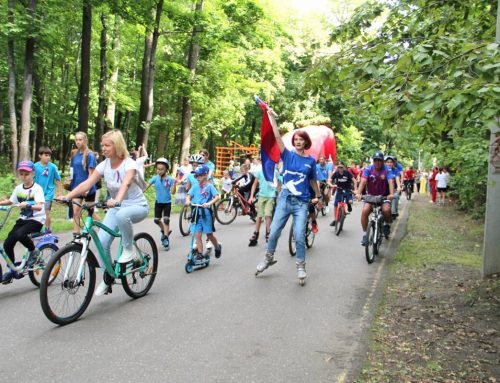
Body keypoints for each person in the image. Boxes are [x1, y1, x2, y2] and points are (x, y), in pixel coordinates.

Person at [57, 130, 149, 296]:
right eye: (102, 145)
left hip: (137, 206)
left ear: (117, 145)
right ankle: (108, 278)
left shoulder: (130, 164)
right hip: (116, 207)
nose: (103, 148)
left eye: (107, 145)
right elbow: (87, 183)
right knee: (102, 242)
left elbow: (126, 183)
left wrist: (117, 200)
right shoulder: (104, 164)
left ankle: (129, 249)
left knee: (122, 215)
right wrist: (68, 196)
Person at [255, 111, 321, 282]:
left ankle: (300, 266)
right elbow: (277, 137)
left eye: (301, 139)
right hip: (285, 199)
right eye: (296, 139)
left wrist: (319, 196)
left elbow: (313, 180)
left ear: (306, 142)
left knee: (299, 235)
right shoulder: (287, 155)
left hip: (301, 202)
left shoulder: (311, 161)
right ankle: (268, 258)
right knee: (274, 231)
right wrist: (273, 118)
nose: (298, 142)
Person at [0, 161, 45, 284]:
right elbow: (11, 201)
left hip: (36, 220)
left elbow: (40, 206)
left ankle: (33, 251)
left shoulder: (37, 189)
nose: (24, 176)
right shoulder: (18, 188)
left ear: (33, 174)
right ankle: (12, 270)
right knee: (8, 243)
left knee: (20, 234)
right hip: (23, 219)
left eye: (27, 174)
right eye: (22, 174)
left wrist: (29, 205)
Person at [355, 151, 395, 246]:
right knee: (365, 211)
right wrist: (359, 193)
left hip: (383, 196)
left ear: (382, 161)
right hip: (371, 197)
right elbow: (363, 181)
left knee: (386, 210)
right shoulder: (368, 169)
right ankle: (365, 234)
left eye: (379, 160)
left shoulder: (387, 170)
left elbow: (391, 182)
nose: (377, 162)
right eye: (375, 160)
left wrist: (392, 194)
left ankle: (387, 224)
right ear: (373, 161)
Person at [185, 165, 222, 259]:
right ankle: (200, 253)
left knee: (209, 234)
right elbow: (188, 195)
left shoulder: (210, 186)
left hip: (206, 213)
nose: (198, 178)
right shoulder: (195, 186)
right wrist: (188, 200)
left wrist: (209, 203)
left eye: (200, 175)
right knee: (197, 234)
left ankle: (217, 246)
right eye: (196, 176)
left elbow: (217, 197)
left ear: (205, 175)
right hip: (196, 213)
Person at [143, 157, 176, 249]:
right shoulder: (155, 178)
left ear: (166, 169)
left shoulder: (170, 179)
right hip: (158, 203)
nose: (159, 171)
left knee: (166, 220)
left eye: (162, 169)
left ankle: (165, 238)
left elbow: (173, 192)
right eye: (158, 169)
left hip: (167, 203)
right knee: (156, 220)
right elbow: (146, 187)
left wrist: (174, 184)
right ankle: (164, 231)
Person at [69, 131, 98, 235]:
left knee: (90, 212)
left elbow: (92, 173)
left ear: (85, 140)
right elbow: (72, 169)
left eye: (80, 140)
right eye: (76, 140)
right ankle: (76, 236)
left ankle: (103, 229)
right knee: (76, 211)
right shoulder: (75, 154)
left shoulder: (90, 155)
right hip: (76, 187)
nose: (78, 142)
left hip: (88, 188)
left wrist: (87, 188)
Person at [248, 164, 280, 246]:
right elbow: (254, 184)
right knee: (259, 215)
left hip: (271, 196)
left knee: (268, 215)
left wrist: (279, 194)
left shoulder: (275, 172)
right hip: (262, 196)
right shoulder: (260, 172)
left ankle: (268, 233)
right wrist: (251, 196)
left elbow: (279, 183)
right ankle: (256, 233)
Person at [34, 146, 62, 233]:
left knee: (46, 212)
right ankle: (36, 230)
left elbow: (58, 179)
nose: (48, 157)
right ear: (40, 155)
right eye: (46, 155)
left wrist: (59, 192)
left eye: (49, 155)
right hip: (36, 193)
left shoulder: (53, 167)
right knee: (36, 213)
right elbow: (31, 179)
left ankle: (48, 230)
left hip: (48, 194)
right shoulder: (35, 166)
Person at [328, 161, 354, 227]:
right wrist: (331, 185)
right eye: (339, 167)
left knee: (350, 202)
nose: (340, 169)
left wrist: (356, 189)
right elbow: (329, 180)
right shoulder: (336, 174)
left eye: (341, 167)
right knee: (336, 205)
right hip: (339, 190)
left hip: (348, 190)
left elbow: (355, 180)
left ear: (344, 167)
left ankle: (348, 204)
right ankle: (335, 219)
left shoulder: (348, 173)